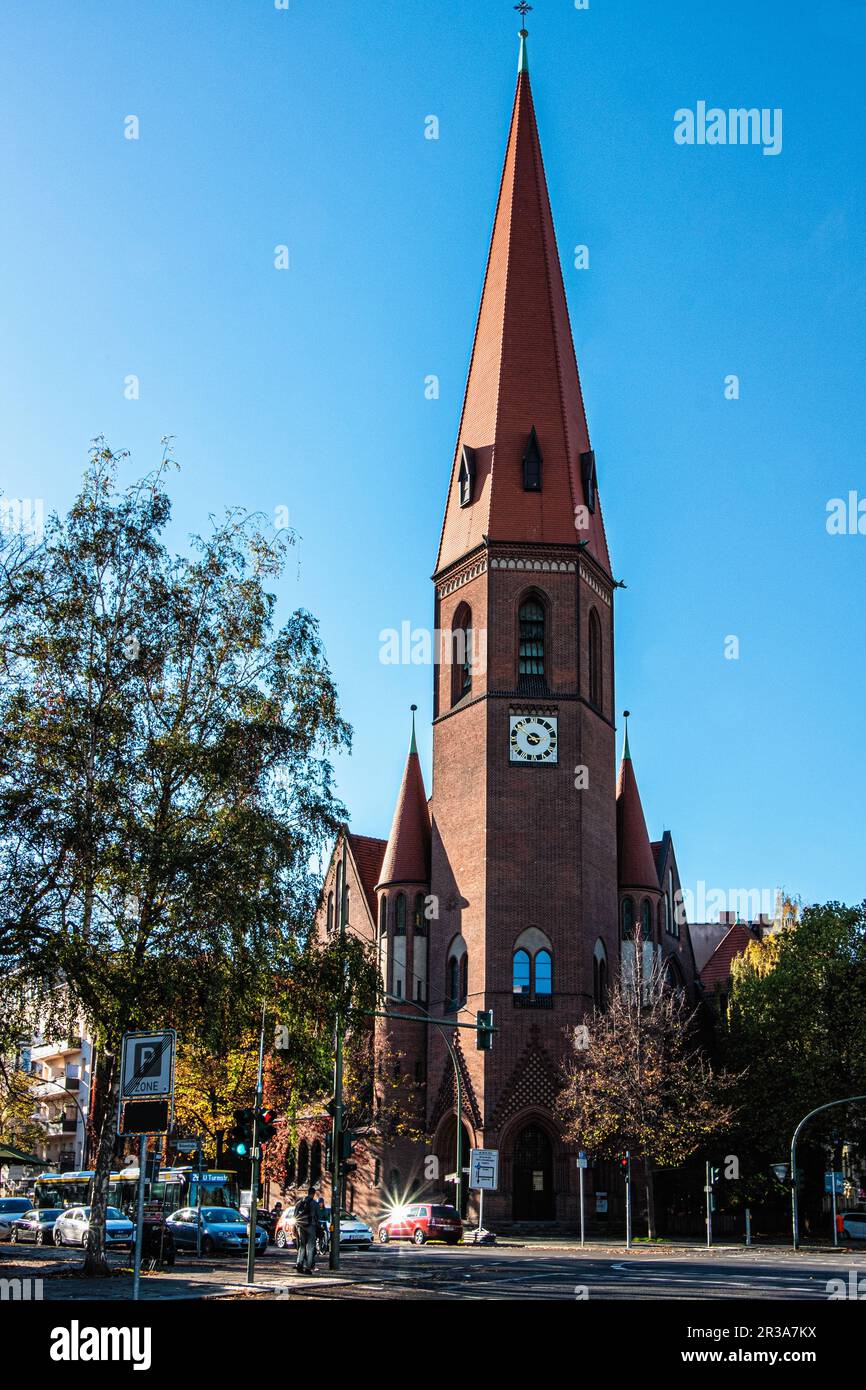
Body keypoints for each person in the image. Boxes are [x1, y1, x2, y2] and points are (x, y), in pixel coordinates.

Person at [294, 1186, 322, 1273]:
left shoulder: (299, 1203)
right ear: (313, 1194)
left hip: (301, 1226)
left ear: (307, 1193)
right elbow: (318, 1217)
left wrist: (296, 1226)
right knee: (310, 1247)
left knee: (302, 1246)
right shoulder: (314, 1204)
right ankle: (308, 1267)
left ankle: (299, 1263)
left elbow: (295, 1216)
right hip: (311, 1227)